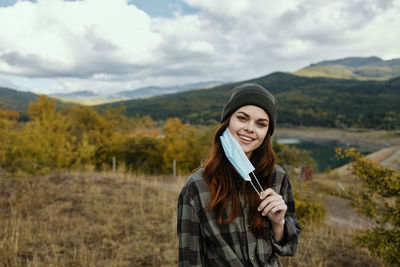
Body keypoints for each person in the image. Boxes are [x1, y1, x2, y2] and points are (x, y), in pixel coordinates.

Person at [177, 83, 301, 266]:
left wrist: (278, 223)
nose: (250, 128)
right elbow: (190, 260)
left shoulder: (277, 177)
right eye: (242, 118)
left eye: (261, 124)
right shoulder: (197, 187)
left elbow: (289, 247)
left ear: (267, 132)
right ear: (227, 122)